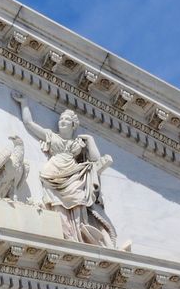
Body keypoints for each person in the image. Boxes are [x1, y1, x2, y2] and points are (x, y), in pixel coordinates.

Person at [13, 91, 121, 248]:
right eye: (61, 119)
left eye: (66, 119)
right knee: (57, 203)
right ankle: (65, 233)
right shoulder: (52, 136)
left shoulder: (78, 143)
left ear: (73, 125)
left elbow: (96, 159)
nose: (62, 121)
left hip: (72, 172)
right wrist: (24, 104)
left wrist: (90, 140)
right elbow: (29, 124)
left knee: (78, 199)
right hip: (53, 173)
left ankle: (77, 234)